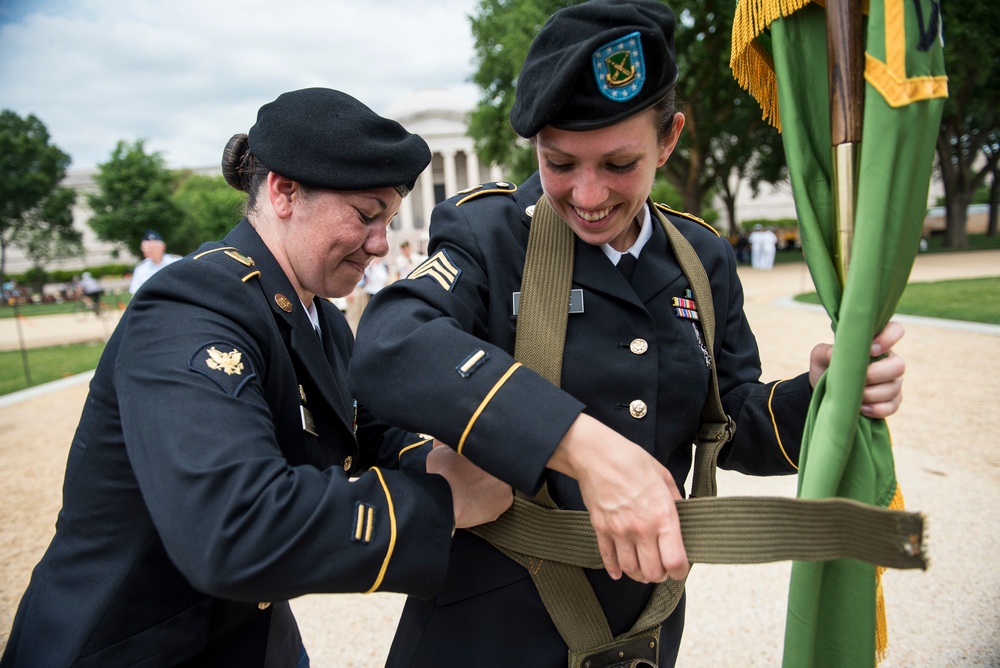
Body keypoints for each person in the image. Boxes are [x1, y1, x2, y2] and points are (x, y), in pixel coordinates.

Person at [348, 2, 907, 666]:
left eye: (618, 163)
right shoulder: (490, 235)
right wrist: (580, 446)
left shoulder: (701, 258)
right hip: (489, 632)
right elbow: (391, 345)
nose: (587, 195)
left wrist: (821, 394)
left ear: (668, 139)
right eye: (560, 164)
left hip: (641, 631)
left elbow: (733, 420)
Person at [0, 88, 511, 667]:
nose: (381, 244)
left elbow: (366, 433)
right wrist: (441, 502)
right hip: (135, 648)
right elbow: (231, 525)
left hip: (252, 643)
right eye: (367, 215)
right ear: (284, 191)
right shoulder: (191, 306)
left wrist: (446, 455)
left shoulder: (315, 315)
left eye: (388, 220)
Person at [129, 229, 182, 293]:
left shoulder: (177, 262)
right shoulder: (141, 269)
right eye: (145, 248)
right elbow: (135, 292)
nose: (148, 250)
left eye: (151, 247)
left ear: (162, 247)